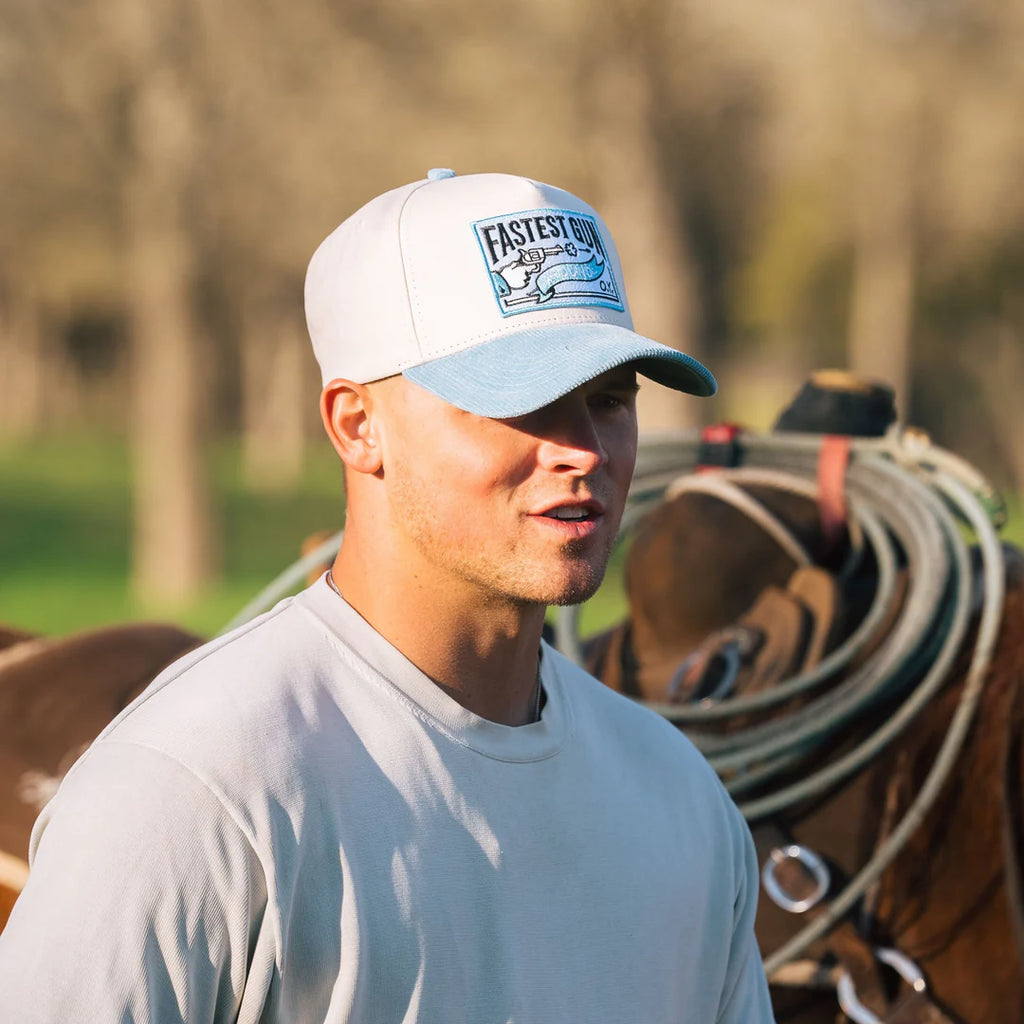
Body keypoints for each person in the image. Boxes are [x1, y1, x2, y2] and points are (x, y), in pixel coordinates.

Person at [0, 169, 774, 1022]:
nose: (583, 450)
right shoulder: (191, 791)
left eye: (608, 401)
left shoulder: (679, 802)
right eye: (525, 404)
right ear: (357, 425)